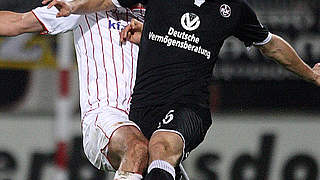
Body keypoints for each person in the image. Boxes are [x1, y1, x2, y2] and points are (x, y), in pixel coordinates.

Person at [45, 0, 320, 179]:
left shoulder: (233, 9)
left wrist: (310, 74)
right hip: (142, 113)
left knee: (161, 146)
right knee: (152, 156)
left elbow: (270, 45)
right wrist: (74, 5)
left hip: (190, 109)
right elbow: (107, 1)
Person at [0, 3, 149, 180]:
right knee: (136, 148)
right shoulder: (81, 6)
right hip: (104, 117)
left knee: (160, 159)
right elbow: (17, 22)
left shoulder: (163, 13)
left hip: (149, 121)